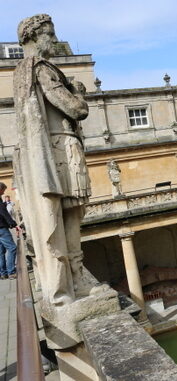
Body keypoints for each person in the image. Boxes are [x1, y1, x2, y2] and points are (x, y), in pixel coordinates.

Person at [13, 14, 96, 304]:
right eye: (50, 34)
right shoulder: (42, 69)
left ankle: (73, 274)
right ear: (34, 36)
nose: (55, 40)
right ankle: (77, 275)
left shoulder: (22, 71)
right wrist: (79, 93)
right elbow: (75, 109)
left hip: (52, 148)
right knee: (71, 211)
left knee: (65, 212)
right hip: (62, 148)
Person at [0, 183, 18, 280]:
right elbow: (4, 214)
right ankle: (11, 272)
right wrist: (13, 224)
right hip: (1, 228)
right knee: (12, 248)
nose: (4, 192)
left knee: (1, 251)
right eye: (3, 190)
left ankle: (3, 273)